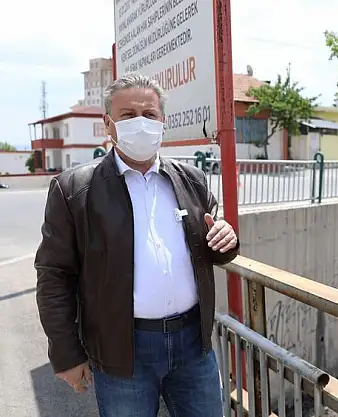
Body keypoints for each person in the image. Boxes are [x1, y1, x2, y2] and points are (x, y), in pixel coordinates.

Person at [35, 72, 239, 417]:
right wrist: (66, 354)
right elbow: (54, 276)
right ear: (108, 124)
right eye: (128, 115)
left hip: (194, 345)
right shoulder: (74, 190)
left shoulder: (191, 180)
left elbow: (214, 246)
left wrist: (227, 239)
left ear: (163, 122)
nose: (140, 123)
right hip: (122, 352)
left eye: (149, 114)